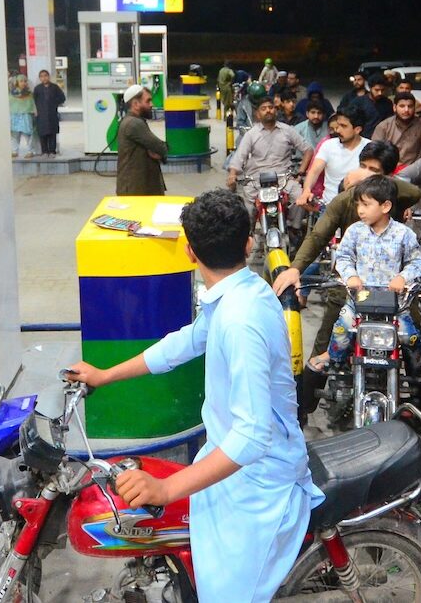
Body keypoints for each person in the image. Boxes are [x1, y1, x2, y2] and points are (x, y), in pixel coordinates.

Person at [66, 190, 324, 603]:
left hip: (257, 480)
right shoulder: (240, 293)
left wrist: (167, 490)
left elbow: (252, 437)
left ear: (189, 252)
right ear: (249, 245)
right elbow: (183, 343)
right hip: (226, 460)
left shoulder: (241, 320)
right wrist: (106, 375)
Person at [273, 142, 421, 386]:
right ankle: (303, 405)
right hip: (350, 287)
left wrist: (376, 179)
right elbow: (318, 236)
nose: (364, 174)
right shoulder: (346, 199)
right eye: (362, 166)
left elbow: (415, 193)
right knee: (325, 343)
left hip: (393, 290)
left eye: (374, 170)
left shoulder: (396, 196)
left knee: (415, 342)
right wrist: (295, 268)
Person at [316, 175, 421, 370]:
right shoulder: (354, 231)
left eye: (366, 205)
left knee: (409, 336)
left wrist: (403, 277)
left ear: (385, 206)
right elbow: (343, 257)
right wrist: (350, 275)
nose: (360, 210)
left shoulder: (403, 234)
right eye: (359, 204)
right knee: (341, 330)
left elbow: (417, 261)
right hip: (359, 301)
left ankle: (420, 365)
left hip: (395, 304)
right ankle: (333, 357)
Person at [226, 90, 307, 222]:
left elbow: (308, 150)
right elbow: (239, 157)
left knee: (300, 199)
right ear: (258, 114)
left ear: (276, 110)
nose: (268, 111)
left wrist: (301, 171)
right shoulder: (251, 134)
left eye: (271, 107)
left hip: (283, 179)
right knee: (246, 208)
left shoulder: (287, 130)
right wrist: (232, 174)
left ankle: (294, 229)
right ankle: (248, 235)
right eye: (263, 109)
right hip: (256, 180)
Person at [297, 109, 370, 207]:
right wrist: (306, 190)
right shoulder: (328, 145)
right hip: (329, 206)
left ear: (357, 130)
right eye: (338, 125)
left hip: (360, 206)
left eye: (343, 126)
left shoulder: (370, 147)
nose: (337, 130)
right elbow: (314, 171)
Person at [116, 83, 167, 196]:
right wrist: (162, 151)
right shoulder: (134, 124)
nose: (151, 104)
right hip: (136, 191)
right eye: (148, 101)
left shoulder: (134, 121)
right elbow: (161, 148)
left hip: (138, 189)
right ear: (135, 104)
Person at [368, 91, 421, 167]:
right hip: (390, 170)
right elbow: (374, 151)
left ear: (414, 108)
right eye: (402, 106)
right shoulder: (384, 126)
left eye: (410, 106)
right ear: (394, 107)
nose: (406, 110)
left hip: (415, 170)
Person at [32, 68, 66, 157]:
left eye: (45, 76)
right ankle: (44, 151)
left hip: (52, 114)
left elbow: (62, 98)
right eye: (42, 76)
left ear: (49, 77)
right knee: (42, 133)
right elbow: (33, 100)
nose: (44, 78)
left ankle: (52, 151)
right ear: (40, 78)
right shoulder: (37, 89)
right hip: (41, 114)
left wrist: (54, 103)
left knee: (52, 132)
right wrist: (35, 110)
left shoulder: (55, 87)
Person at [8, 72, 36, 157]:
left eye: (25, 81)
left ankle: (30, 151)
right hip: (14, 115)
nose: (23, 83)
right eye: (21, 81)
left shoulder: (29, 94)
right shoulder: (11, 94)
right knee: (14, 134)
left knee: (27, 134)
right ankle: (14, 151)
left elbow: (32, 104)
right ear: (17, 82)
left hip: (25, 115)